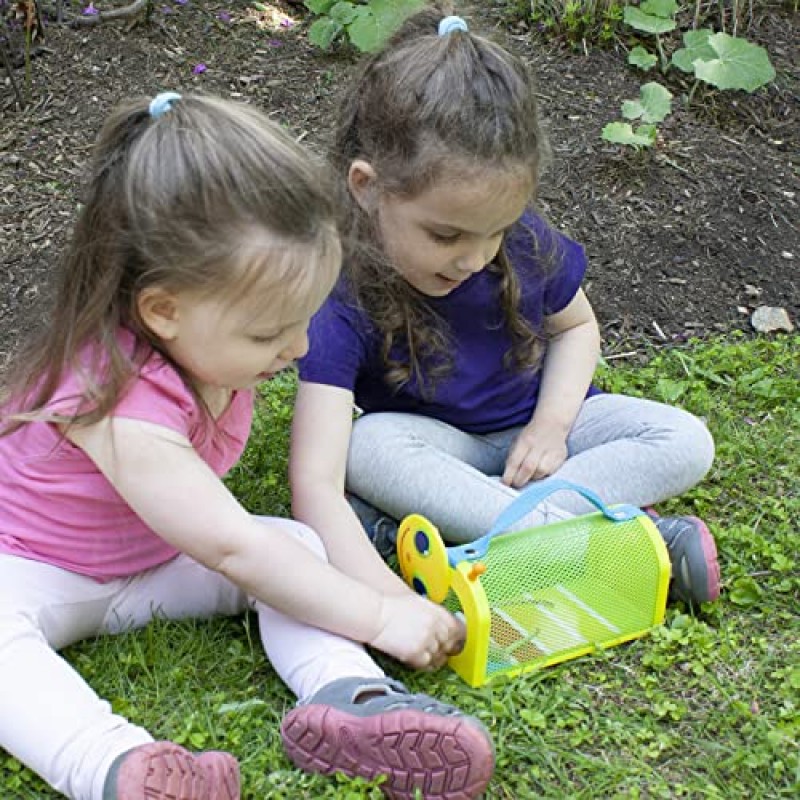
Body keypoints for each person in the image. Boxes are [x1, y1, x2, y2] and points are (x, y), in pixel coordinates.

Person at [0, 91, 495, 800]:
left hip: (156, 563)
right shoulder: (107, 398)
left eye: (302, 321)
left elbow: (245, 547)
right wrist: (379, 612)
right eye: (268, 334)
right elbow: (233, 546)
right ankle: (114, 767)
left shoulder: (212, 342)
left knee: (295, 544)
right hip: (31, 570)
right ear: (163, 310)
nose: (295, 349)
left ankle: (352, 698)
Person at [289, 4, 721, 609]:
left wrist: (551, 426)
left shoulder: (520, 244)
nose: (474, 257)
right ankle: (616, 544)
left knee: (682, 439)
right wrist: (387, 606)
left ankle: (478, 530)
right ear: (367, 188)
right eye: (446, 236)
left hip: (545, 435)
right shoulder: (342, 296)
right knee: (370, 448)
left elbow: (576, 329)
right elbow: (315, 479)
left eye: (495, 231)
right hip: (440, 447)